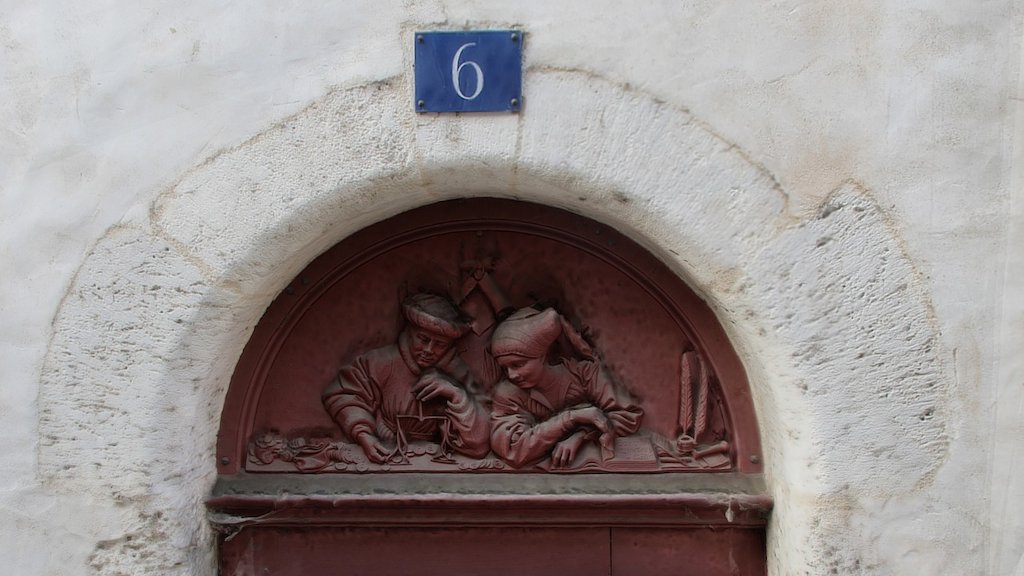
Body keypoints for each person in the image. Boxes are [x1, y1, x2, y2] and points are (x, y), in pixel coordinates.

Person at [322, 293, 490, 463]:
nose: (429, 350)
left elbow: (480, 443)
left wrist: (457, 395)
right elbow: (343, 395)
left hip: (432, 460)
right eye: (423, 339)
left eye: (440, 344)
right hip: (384, 450)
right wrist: (364, 435)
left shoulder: (460, 373)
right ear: (409, 332)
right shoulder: (379, 362)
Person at [489, 307, 643, 468]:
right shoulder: (508, 393)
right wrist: (570, 418)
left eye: (518, 364)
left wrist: (583, 435)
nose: (512, 375)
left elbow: (628, 415)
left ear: (543, 355)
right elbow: (513, 450)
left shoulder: (586, 374)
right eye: (505, 368)